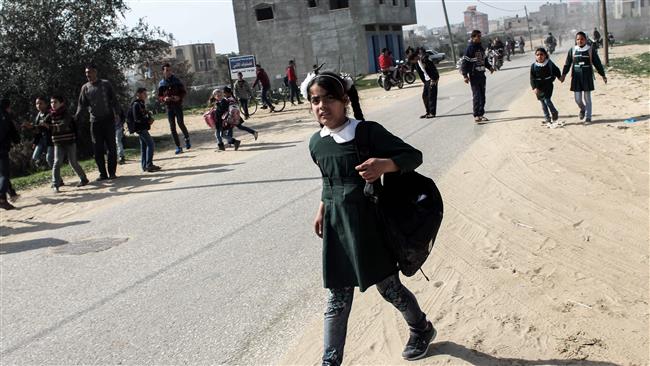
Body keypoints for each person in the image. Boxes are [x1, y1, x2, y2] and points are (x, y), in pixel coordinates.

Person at [307, 72, 436, 366]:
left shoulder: (367, 133)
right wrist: (322, 208)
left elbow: (412, 156)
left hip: (370, 227)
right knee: (337, 299)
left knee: (390, 289)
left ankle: (421, 328)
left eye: (328, 98)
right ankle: (331, 360)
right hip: (338, 229)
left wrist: (385, 165)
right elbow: (328, 181)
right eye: (315, 100)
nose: (322, 106)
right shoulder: (317, 143)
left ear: (344, 100)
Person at [75, 63, 120, 181]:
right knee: (97, 149)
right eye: (86, 73)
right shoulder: (85, 88)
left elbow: (114, 100)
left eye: (89, 72)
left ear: (95, 72)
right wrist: (75, 118)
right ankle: (102, 174)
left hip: (108, 120)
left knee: (111, 147)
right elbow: (81, 105)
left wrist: (118, 114)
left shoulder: (106, 84)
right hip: (95, 122)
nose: (87, 75)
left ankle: (112, 172)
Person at [560, 31, 607, 124]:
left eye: (582, 39)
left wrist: (603, 75)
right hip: (576, 78)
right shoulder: (572, 50)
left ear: (585, 40)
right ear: (575, 40)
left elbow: (597, 63)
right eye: (578, 39)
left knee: (587, 98)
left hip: (587, 77)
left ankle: (588, 117)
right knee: (577, 99)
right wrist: (563, 75)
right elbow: (567, 64)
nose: (580, 41)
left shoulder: (590, 50)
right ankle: (583, 109)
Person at [46, 95, 89, 192]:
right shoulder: (50, 115)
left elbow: (63, 125)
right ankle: (55, 184)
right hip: (58, 142)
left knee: (73, 162)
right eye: (52, 102)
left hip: (70, 141)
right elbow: (43, 126)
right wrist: (32, 127)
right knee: (57, 162)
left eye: (55, 102)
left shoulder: (66, 113)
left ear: (61, 103)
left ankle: (83, 178)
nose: (53, 104)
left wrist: (50, 126)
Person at [461, 30, 494, 123]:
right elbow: (465, 63)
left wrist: (490, 67)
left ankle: (481, 114)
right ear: (473, 37)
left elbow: (485, 60)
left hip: (481, 75)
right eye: (478, 36)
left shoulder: (481, 48)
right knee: (477, 96)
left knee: (483, 96)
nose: (480, 38)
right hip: (474, 75)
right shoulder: (469, 49)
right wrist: (465, 75)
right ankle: (476, 115)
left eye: (480, 36)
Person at [158, 63, 191, 154]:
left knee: (180, 123)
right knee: (172, 127)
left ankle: (187, 138)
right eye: (166, 70)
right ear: (163, 71)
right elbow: (160, 96)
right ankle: (178, 147)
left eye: (170, 70)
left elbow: (183, 92)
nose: (169, 72)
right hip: (169, 107)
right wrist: (164, 99)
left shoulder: (177, 80)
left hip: (177, 106)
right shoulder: (161, 83)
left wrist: (179, 97)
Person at [128, 88, 160, 172]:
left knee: (144, 147)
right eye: (144, 93)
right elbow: (137, 119)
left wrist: (148, 117)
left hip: (142, 128)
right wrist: (147, 121)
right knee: (151, 144)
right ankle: (149, 164)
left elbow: (143, 115)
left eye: (146, 93)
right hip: (140, 129)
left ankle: (144, 166)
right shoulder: (136, 104)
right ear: (138, 94)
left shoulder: (141, 103)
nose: (145, 95)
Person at [530, 47, 562, 126]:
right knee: (543, 103)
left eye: (541, 54)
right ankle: (547, 118)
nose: (539, 56)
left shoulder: (549, 63)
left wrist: (559, 77)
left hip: (548, 84)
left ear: (545, 55)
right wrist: (534, 88)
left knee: (547, 100)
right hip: (538, 86)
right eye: (537, 55)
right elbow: (532, 78)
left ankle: (554, 112)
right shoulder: (534, 66)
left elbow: (556, 70)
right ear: (535, 56)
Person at [0, 98, 20, 210]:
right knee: (4, 174)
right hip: (2, 149)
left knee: (2, 174)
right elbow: (15, 135)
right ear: (7, 107)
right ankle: (1, 198)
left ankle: (11, 193)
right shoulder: (6, 117)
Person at [411, 48, 439, 119]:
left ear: (415, 57)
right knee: (425, 96)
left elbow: (433, 69)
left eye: (413, 61)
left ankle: (432, 113)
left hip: (432, 79)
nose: (413, 63)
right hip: (427, 80)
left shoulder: (425, 59)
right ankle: (428, 112)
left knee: (431, 96)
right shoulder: (417, 62)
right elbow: (421, 73)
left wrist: (434, 79)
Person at [28, 96, 55, 169]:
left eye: (41, 103)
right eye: (37, 104)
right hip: (41, 140)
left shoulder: (50, 113)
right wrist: (35, 142)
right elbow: (38, 131)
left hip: (50, 140)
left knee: (49, 159)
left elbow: (48, 126)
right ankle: (44, 165)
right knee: (35, 157)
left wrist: (35, 127)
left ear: (46, 104)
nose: (38, 105)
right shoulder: (38, 116)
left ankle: (56, 175)